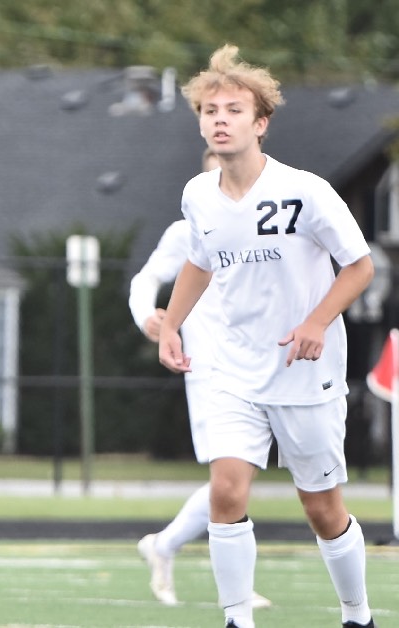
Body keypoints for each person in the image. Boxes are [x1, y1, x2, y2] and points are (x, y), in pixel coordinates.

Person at [158, 44, 375, 628]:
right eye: (210, 110)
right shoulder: (197, 195)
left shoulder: (306, 190)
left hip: (306, 370)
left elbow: (359, 267)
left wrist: (316, 321)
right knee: (226, 493)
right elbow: (200, 263)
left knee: (321, 508)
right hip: (232, 368)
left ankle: (358, 615)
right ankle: (237, 620)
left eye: (233, 109)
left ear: (261, 123)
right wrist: (171, 324)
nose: (220, 119)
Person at [130, 149, 270, 609]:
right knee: (230, 477)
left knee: (238, 478)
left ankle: (167, 546)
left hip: (260, 365)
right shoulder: (186, 231)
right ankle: (224, 579)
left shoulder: (264, 225)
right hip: (208, 366)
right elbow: (145, 280)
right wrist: (147, 316)